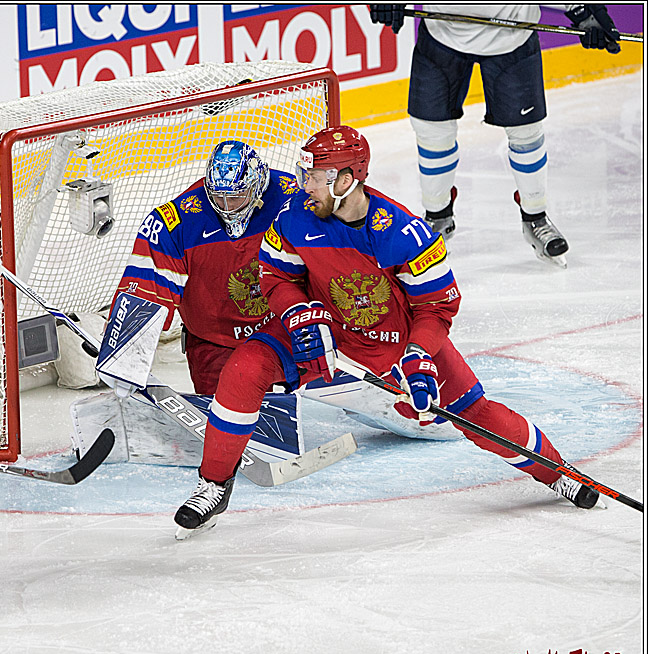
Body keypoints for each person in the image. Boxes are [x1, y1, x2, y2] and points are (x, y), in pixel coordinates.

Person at [172, 125, 599, 537]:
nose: (304, 186)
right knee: (247, 367)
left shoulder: (404, 232)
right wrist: (298, 311)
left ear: (345, 180)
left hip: (397, 342)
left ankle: (559, 473)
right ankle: (214, 485)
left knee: (476, 414)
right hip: (328, 331)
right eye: (304, 175)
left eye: (314, 178)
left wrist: (419, 353)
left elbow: (436, 306)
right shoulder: (294, 218)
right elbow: (276, 277)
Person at [368, 4, 621, 267]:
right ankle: (437, 217)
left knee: (526, 133)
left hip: (513, 37)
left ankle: (535, 218)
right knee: (431, 130)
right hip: (442, 34)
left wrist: (582, 9)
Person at [112, 140, 300, 395]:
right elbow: (147, 286)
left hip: (285, 330)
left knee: (319, 407)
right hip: (215, 342)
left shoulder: (295, 198)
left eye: (235, 197)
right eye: (218, 197)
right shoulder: (177, 220)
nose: (226, 207)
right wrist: (126, 355)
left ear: (256, 185)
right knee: (227, 412)